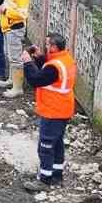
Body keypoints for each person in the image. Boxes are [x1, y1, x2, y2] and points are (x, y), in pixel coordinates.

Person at [21, 33, 77, 191]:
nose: (45, 47)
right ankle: (57, 175)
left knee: (45, 146)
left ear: (53, 47)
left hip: (53, 110)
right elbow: (49, 70)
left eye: (47, 45)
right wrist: (39, 58)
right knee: (57, 143)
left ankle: (44, 180)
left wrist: (27, 62)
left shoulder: (54, 67)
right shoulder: (65, 59)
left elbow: (37, 79)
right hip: (63, 109)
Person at [0, 0, 31, 99]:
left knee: (16, 58)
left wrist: (4, 11)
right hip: (8, 28)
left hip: (15, 29)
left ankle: (17, 87)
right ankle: (11, 80)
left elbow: (22, 14)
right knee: (10, 55)